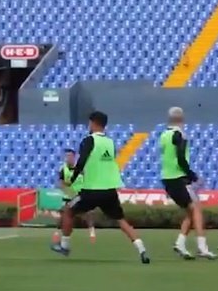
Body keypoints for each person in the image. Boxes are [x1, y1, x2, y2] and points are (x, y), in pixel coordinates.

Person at [51, 111, 150, 264]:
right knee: (121, 220)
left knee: (68, 211)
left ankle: (64, 245)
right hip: (109, 190)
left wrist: (73, 178)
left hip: (91, 190)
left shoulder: (89, 140)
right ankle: (141, 249)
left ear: (93, 123)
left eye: (89, 122)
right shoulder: (110, 142)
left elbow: (82, 161)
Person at [159, 106, 215, 260]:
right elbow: (181, 158)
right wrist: (192, 175)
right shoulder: (180, 134)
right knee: (196, 209)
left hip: (167, 177)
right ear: (182, 119)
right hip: (178, 177)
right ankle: (202, 247)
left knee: (191, 212)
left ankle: (180, 243)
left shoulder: (164, 134)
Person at [53, 148, 96, 244]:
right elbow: (61, 183)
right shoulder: (63, 169)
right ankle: (58, 232)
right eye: (66, 156)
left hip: (80, 194)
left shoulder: (81, 168)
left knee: (88, 213)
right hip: (68, 195)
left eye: (70, 156)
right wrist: (69, 191)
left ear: (74, 157)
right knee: (64, 215)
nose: (68, 158)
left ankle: (92, 231)